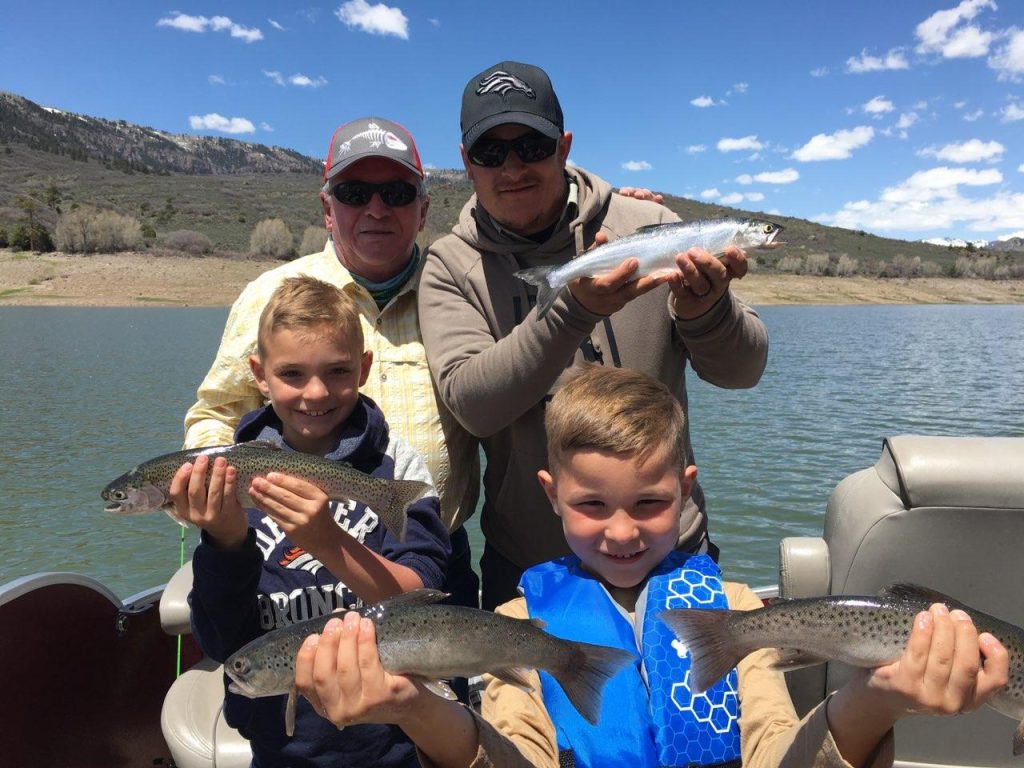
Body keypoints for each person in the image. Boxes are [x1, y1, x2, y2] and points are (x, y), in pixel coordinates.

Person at [292, 365, 1010, 768]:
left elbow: (777, 755)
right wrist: (415, 709)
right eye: (594, 505)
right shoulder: (516, 625)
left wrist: (877, 698)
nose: (624, 530)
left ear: (687, 488)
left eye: (651, 502)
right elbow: (515, 758)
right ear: (552, 497)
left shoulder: (733, 610)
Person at [418, 60, 769, 609]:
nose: (512, 167)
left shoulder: (646, 227)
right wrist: (571, 311)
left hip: (670, 550)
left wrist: (708, 309)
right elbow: (472, 405)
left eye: (531, 146)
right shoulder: (451, 264)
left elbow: (742, 372)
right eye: (491, 152)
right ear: (466, 163)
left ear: (563, 146)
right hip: (529, 571)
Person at [183, 116, 480, 609]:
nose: (377, 209)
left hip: (427, 556)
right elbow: (215, 412)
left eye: (398, 193)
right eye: (355, 192)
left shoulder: (460, 292)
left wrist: (616, 214)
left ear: (424, 209)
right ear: (327, 208)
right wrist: (223, 495)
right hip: (282, 568)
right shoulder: (267, 297)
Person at [172, 275, 451, 768]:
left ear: (364, 367)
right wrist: (225, 541)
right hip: (281, 743)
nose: (316, 392)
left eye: (338, 370)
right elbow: (222, 643)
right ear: (259, 374)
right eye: (292, 374)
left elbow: (421, 600)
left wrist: (325, 539)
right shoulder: (228, 474)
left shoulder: (398, 467)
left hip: (393, 737)